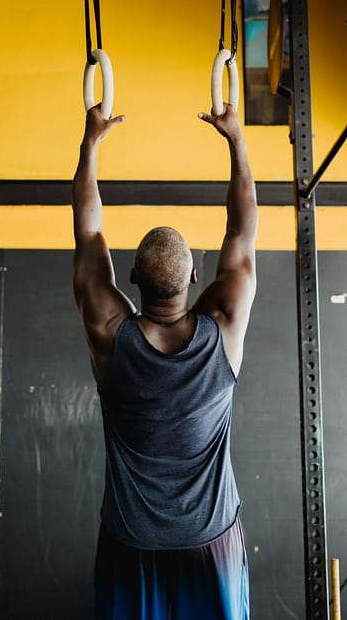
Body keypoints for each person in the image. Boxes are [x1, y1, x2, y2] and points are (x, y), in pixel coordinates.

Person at [72, 102, 258, 620]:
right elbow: (241, 234)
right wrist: (236, 140)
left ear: (131, 279)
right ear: (196, 278)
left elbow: (88, 233)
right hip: (211, 540)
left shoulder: (109, 335)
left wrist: (90, 144)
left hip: (131, 543)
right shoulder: (224, 325)